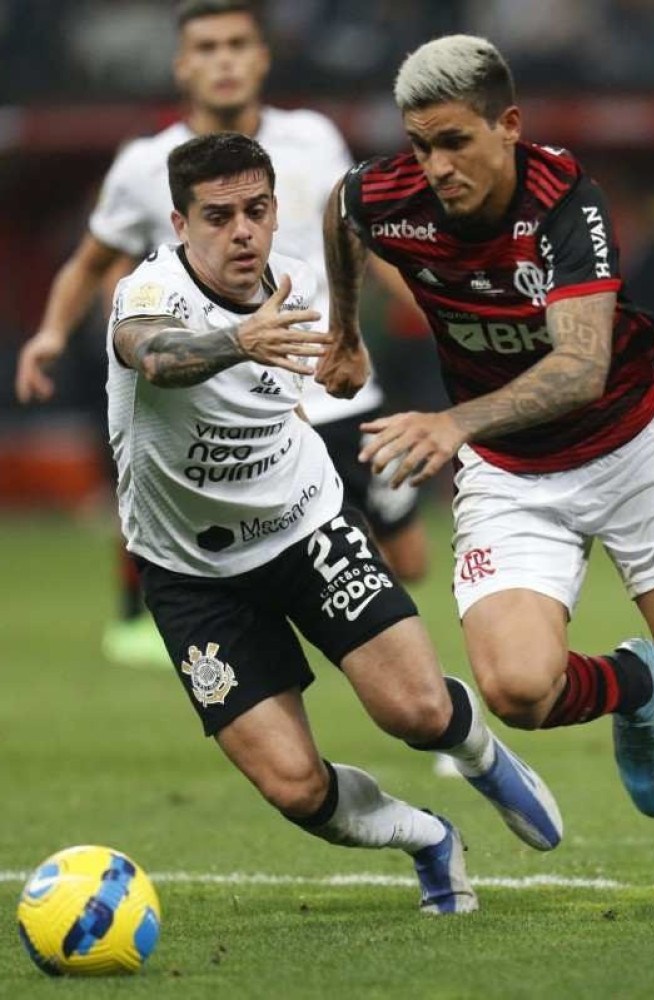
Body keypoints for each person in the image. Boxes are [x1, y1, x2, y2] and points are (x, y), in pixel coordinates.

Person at [318, 34, 654, 919]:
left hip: (632, 444)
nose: (435, 167)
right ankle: (629, 683)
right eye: (420, 145)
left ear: (508, 125)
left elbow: (578, 368)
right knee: (517, 690)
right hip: (512, 468)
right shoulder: (391, 194)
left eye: (455, 142)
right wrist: (346, 331)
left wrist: (451, 421)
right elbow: (340, 208)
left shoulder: (565, 204)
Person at [106, 130, 563, 915]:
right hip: (191, 575)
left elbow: (346, 318)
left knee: (416, 712)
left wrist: (350, 350)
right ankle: (426, 838)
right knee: (293, 786)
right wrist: (236, 340)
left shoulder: (299, 283)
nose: (242, 230)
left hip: (305, 527)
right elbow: (150, 353)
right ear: (179, 226)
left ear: (276, 209)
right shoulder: (150, 297)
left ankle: (482, 755)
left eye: (256, 210)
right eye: (218, 217)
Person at [14, 0, 427, 670]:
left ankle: (404, 685)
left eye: (238, 44)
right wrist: (51, 334)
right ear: (182, 65)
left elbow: (360, 237)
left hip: (335, 387)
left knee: (406, 558)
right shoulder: (146, 165)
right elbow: (92, 260)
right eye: (206, 48)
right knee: (304, 566)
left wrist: (431, 309)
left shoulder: (314, 138)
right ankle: (392, 704)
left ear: (263, 57)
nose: (224, 61)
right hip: (229, 405)